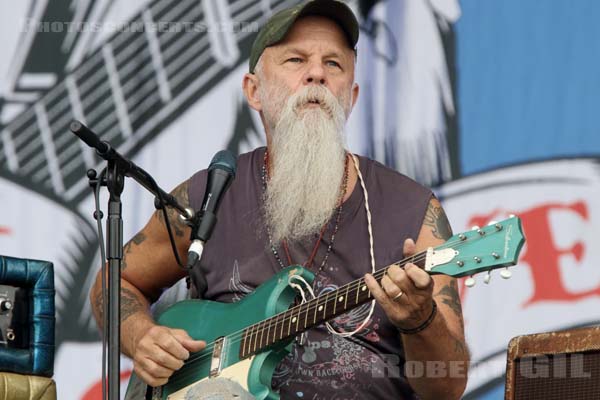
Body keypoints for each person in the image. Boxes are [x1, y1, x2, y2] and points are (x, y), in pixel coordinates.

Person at [90, 1, 469, 399]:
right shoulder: (210, 196)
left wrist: (420, 319)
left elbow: (447, 384)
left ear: (351, 96)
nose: (317, 74)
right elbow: (116, 281)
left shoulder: (413, 211)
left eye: (334, 64)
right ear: (253, 91)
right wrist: (140, 336)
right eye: (296, 59)